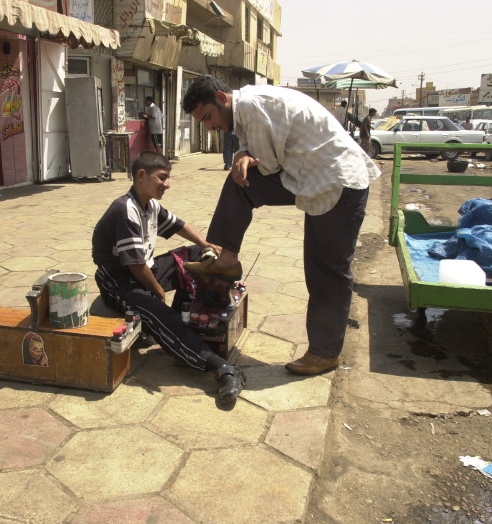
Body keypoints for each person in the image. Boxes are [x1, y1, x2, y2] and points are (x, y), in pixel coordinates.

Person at [182, 76, 381, 376]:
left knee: (327, 271)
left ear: (222, 98)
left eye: (208, 117)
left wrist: (243, 158)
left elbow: (269, 164)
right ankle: (225, 259)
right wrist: (241, 156)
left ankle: (324, 354)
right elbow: (250, 152)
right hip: (313, 177)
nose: (209, 127)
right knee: (240, 183)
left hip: (337, 183)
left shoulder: (252, 105)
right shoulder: (245, 110)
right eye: (203, 123)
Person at [92, 151, 245, 403]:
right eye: (162, 178)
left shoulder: (150, 205)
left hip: (142, 270)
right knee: (157, 310)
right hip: (118, 280)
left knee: (196, 254)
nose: (167, 184)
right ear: (141, 176)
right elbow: (135, 266)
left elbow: (177, 226)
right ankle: (219, 366)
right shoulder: (124, 210)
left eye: (168, 178)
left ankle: (188, 317)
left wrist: (206, 244)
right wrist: (158, 292)